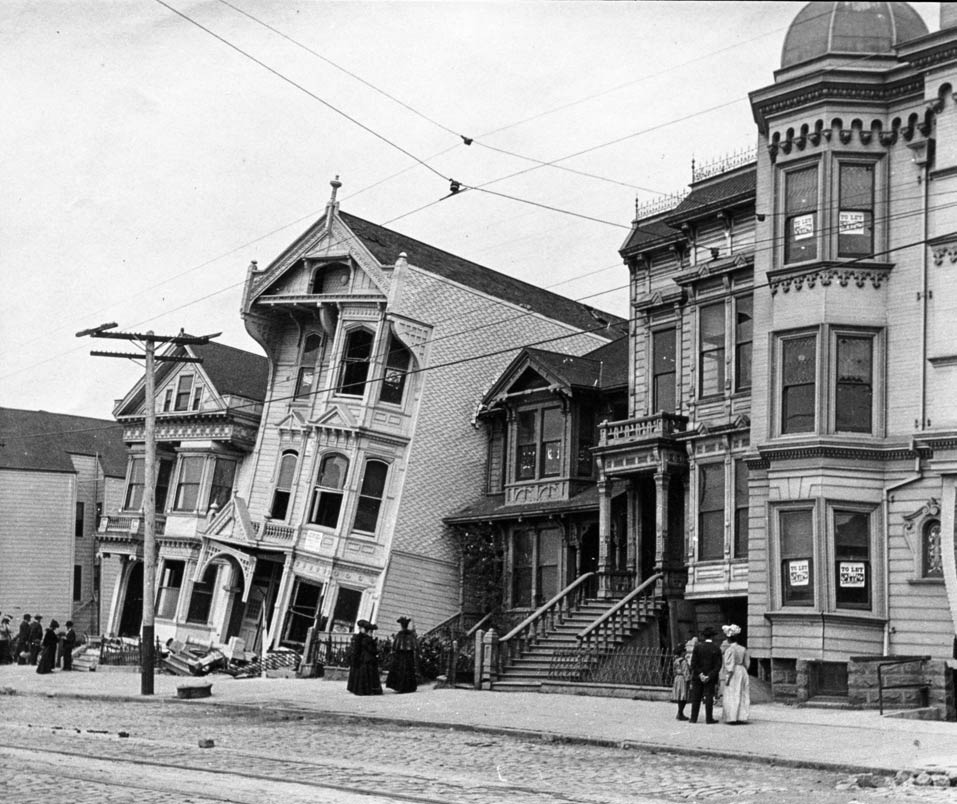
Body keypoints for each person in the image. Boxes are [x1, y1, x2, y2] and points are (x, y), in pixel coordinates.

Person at [688, 626, 723, 724]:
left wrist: (700, 674)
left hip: (698, 676)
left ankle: (693, 718)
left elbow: (693, 663)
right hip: (710, 678)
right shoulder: (716, 648)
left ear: (703, 636)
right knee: (709, 697)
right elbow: (718, 665)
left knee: (696, 697)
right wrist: (709, 676)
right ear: (712, 637)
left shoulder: (698, 647)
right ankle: (709, 718)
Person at [721, 624, 750, 724]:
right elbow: (747, 663)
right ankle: (741, 716)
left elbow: (729, 666)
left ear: (728, 639)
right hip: (742, 670)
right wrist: (743, 669)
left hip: (733, 672)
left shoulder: (729, 650)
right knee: (742, 693)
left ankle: (732, 717)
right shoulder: (743, 649)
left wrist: (727, 678)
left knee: (732, 694)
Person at [347, 619, 382, 696]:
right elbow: (370, 649)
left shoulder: (363, 638)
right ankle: (363, 689)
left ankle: (363, 689)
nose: (360, 629)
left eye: (361, 628)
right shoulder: (363, 638)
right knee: (363, 673)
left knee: (365, 673)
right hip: (363, 658)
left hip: (364, 658)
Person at [386, 616, 418, 694]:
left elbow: (395, 647)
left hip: (400, 656)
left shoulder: (400, 635)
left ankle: (400, 686)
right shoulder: (411, 635)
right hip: (408, 656)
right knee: (408, 669)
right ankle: (408, 687)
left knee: (401, 670)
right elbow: (415, 646)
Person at [671, 644, 690, 720]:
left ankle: (680, 712)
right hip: (682, 678)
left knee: (680, 696)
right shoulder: (684, 661)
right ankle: (680, 713)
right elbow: (686, 672)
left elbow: (674, 671)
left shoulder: (676, 660)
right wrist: (688, 679)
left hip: (677, 678)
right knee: (683, 696)